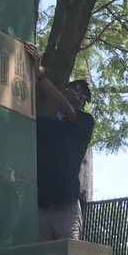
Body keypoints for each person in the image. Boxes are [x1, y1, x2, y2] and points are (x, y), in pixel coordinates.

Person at [24, 43, 95, 241]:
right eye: (74, 91)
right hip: (40, 206)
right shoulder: (44, 124)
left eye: (83, 98)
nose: (78, 97)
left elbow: (68, 111)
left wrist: (41, 76)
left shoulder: (84, 123)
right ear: (64, 91)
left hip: (66, 205)